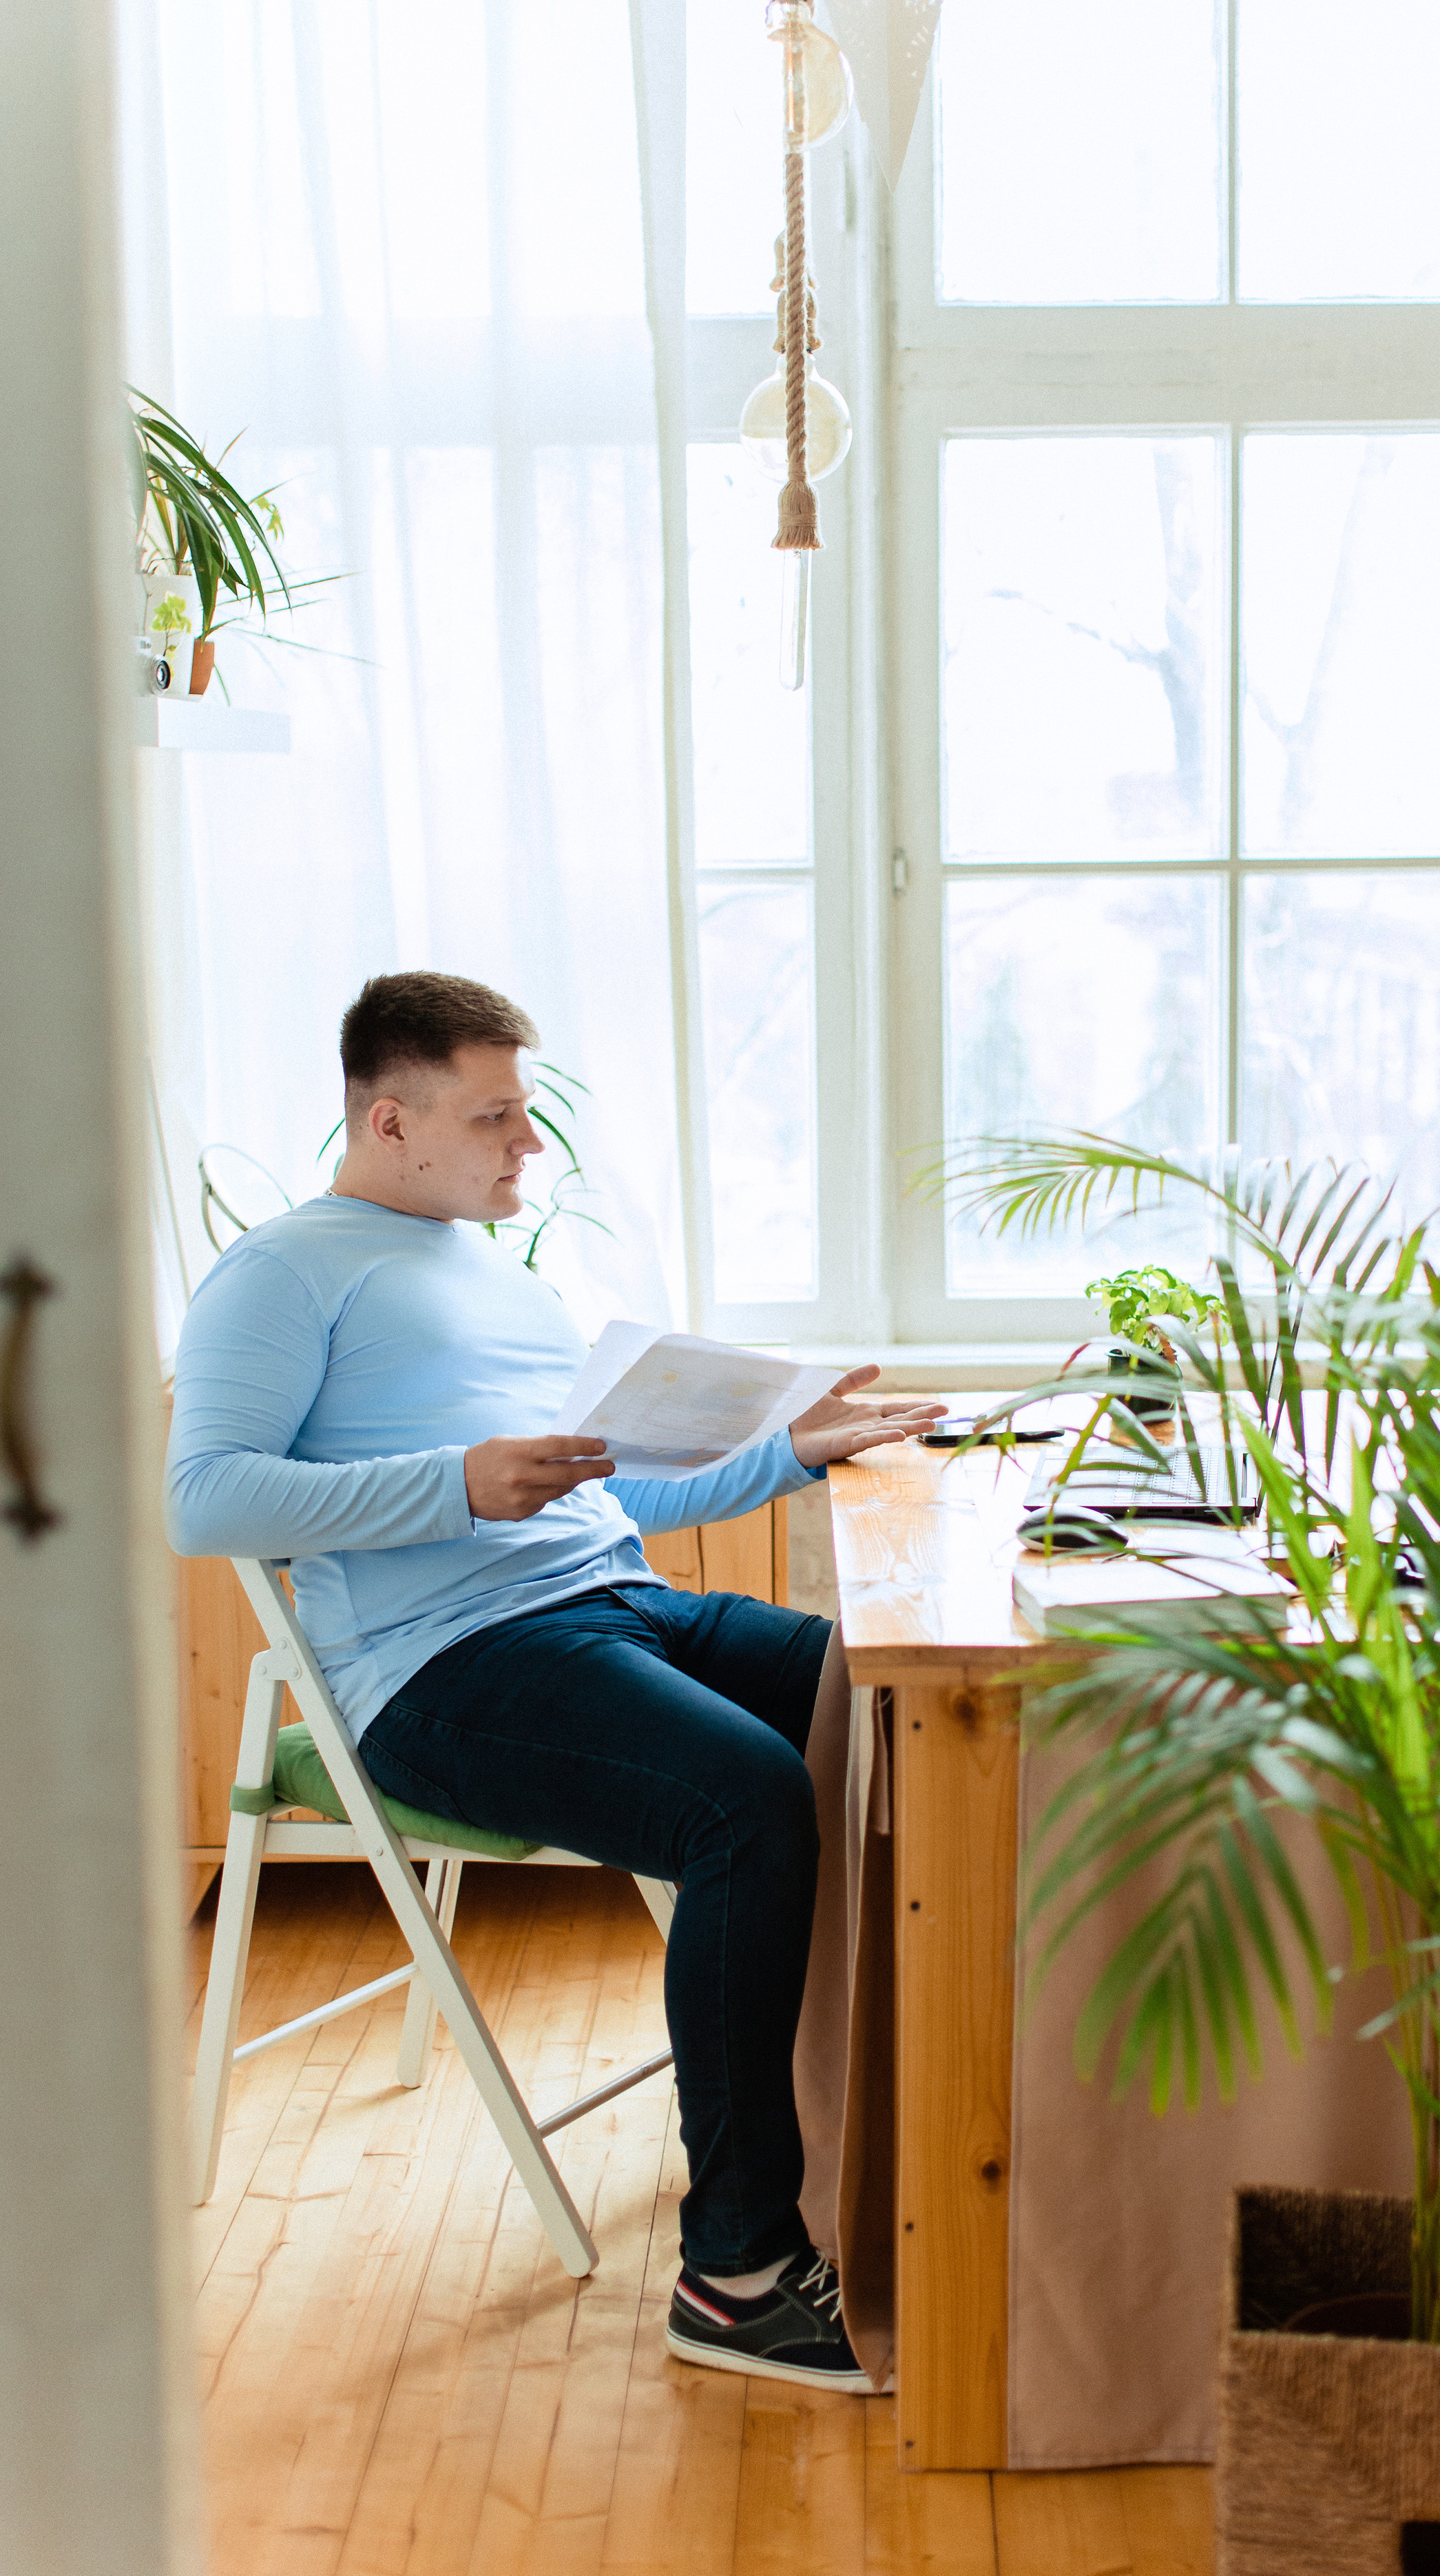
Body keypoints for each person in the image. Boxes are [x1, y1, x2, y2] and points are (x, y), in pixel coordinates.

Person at [165, 970, 944, 2391]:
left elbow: (614, 1485)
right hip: (444, 1670)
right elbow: (207, 1500)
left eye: (526, 1114)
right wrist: (459, 1486)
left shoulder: (494, 1270)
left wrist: (800, 1451)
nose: (532, 1145)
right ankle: (737, 2273)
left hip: (614, 1601)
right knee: (747, 1803)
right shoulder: (283, 1272)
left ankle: (902, 2145)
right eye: (498, 1118)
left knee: (898, 1697)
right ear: (388, 1120)